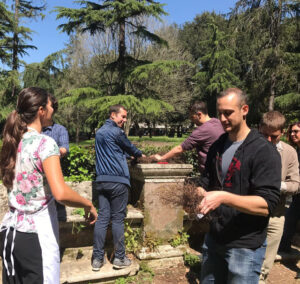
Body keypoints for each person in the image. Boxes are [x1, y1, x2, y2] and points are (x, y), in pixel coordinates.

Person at [0, 87, 97, 284]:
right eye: (51, 106)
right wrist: (88, 203)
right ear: (41, 111)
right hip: (36, 238)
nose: (54, 110)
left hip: (9, 232)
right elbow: (60, 193)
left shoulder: (13, 141)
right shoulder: (45, 143)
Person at [198, 87, 281, 284]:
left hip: (245, 246)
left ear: (245, 109)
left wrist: (223, 197)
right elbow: (206, 180)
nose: (223, 118)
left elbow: (266, 204)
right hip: (214, 239)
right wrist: (198, 192)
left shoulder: (263, 150)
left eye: (228, 113)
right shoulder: (218, 145)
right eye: (220, 113)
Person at [92, 104, 145, 271]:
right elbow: (130, 147)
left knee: (102, 219)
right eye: (122, 116)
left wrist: (125, 155)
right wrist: (139, 155)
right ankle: (119, 258)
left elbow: (112, 151)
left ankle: (97, 259)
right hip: (117, 182)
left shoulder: (99, 132)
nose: (124, 120)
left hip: (101, 181)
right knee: (117, 220)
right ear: (113, 115)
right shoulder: (117, 132)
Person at [258, 112, 299, 284]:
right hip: (250, 213)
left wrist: (277, 185)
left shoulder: (289, 152)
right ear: (259, 129)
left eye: (273, 136)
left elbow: (295, 184)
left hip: (276, 214)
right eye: (264, 135)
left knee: (266, 263)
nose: (268, 140)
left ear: (281, 133)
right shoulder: (248, 147)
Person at [152, 101, 224, 173]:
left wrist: (162, 158)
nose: (191, 120)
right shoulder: (218, 122)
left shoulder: (201, 131)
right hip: (223, 170)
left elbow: (180, 148)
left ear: (199, 114)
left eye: (192, 117)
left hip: (210, 174)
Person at [42, 94, 70, 222]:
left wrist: (50, 152)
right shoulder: (33, 130)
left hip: (53, 176)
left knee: (57, 217)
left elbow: (64, 148)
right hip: (36, 179)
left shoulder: (60, 129)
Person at [279, 121, 300, 253]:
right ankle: (283, 247)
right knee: (290, 218)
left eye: (296, 131)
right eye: (291, 131)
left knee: (291, 218)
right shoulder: (295, 150)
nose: (292, 134)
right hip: (298, 194)